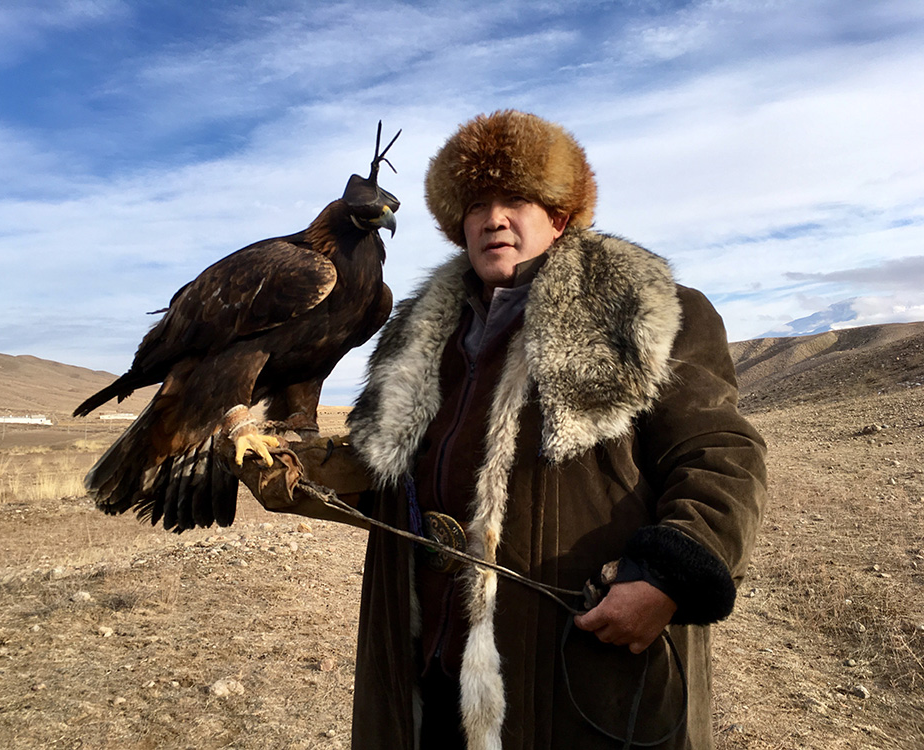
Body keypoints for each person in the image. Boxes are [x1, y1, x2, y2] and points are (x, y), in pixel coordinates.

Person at [244, 110, 767, 750]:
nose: (494, 218)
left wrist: (667, 575)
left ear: (560, 216)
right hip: (426, 669)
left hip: (575, 660)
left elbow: (720, 455)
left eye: (517, 198)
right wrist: (297, 469)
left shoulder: (648, 313)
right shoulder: (413, 338)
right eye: (476, 204)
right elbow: (392, 479)